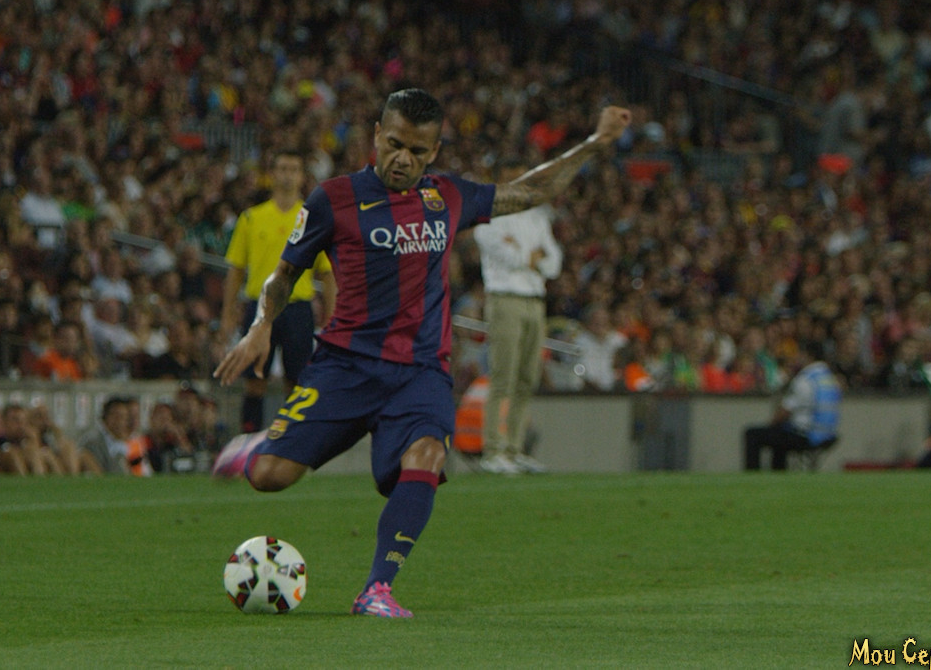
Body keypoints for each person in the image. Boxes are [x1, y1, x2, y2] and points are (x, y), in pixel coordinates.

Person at [215, 88, 631, 617]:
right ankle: (256, 448)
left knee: (429, 456)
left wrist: (594, 143)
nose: (402, 159)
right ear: (376, 136)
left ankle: (377, 589)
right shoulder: (333, 199)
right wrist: (260, 326)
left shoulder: (448, 197)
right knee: (271, 477)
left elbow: (529, 191)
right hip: (346, 366)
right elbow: (284, 273)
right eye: (394, 144)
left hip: (420, 372)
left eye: (416, 150)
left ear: (433, 151)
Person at [218, 149, 337, 433]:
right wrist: (227, 314)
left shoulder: (312, 219)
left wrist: (332, 315)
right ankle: (249, 441)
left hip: (297, 308)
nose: (287, 175)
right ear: (272, 174)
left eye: (293, 169)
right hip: (259, 307)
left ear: (302, 177)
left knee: (297, 383)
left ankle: (291, 444)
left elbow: (327, 272)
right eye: (282, 168)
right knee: (254, 380)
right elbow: (236, 270)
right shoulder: (251, 218)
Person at [472, 158, 562, 475]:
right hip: (505, 298)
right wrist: (531, 256)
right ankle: (493, 450)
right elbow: (502, 253)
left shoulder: (537, 216)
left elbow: (554, 262)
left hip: (535, 301)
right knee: (503, 376)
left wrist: (528, 256)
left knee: (527, 378)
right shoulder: (490, 216)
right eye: (513, 178)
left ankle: (514, 448)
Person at [743, 344, 842, 471]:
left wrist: (771, 424)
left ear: (808, 356)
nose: (797, 358)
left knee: (753, 434)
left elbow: (785, 412)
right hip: (827, 434)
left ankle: (754, 475)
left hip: (805, 435)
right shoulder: (830, 379)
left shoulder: (805, 379)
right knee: (779, 437)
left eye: (800, 354)